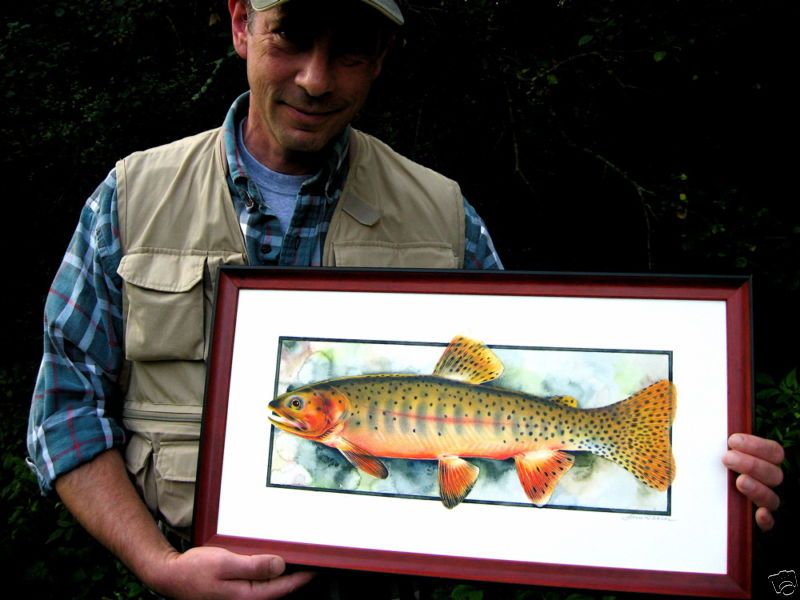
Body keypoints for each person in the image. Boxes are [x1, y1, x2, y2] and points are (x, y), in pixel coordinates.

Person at [26, 1, 784, 599]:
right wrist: (157, 565)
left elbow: (533, 378)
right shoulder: (132, 198)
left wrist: (711, 493)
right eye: (290, 36)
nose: (317, 79)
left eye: (349, 49)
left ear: (380, 61)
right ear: (239, 24)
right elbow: (62, 412)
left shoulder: (445, 215)